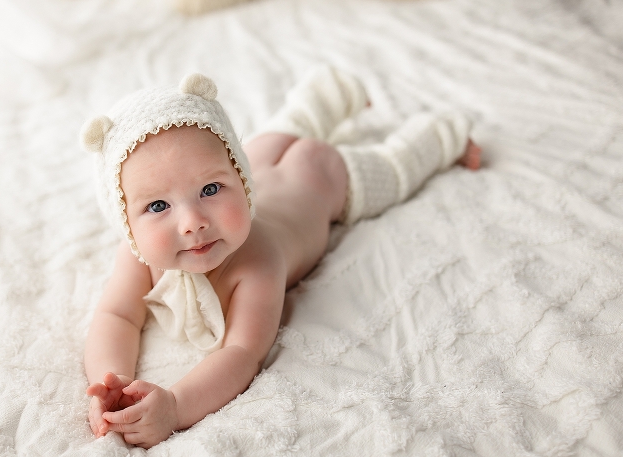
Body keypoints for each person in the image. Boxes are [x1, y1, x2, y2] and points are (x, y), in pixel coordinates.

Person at [80, 67, 481, 448]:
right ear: (125, 221)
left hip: (313, 180)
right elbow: (116, 316)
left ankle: (444, 133)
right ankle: (332, 90)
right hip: (261, 152)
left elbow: (241, 353)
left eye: (210, 189)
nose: (192, 223)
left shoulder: (258, 264)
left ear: (240, 177)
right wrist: (109, 382)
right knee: (284, 128)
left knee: (393, 169)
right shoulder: (137, 254)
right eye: (158, 206)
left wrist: (176, 405)